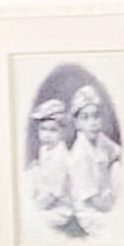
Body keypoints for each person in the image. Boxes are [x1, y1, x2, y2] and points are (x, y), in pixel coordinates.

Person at [64, 84, 123, 231]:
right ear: (77, 123)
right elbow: (93, 200)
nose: (92, 122)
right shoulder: (79, 156)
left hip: (105, 198)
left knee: (117, 167)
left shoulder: (100, 139)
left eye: (96, 116)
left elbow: (118, 153)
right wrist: (114, 208)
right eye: (85, 118)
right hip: (92, 212)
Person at [23, 99, 77, 237]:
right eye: (43, 129)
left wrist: (35, 207)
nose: (47, 135)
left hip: (61, 208)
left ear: (63, 132)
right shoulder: (45, 149)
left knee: (33, 220)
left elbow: (53, 194)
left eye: (53, 130)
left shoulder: (60, 157)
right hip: (46, 199)